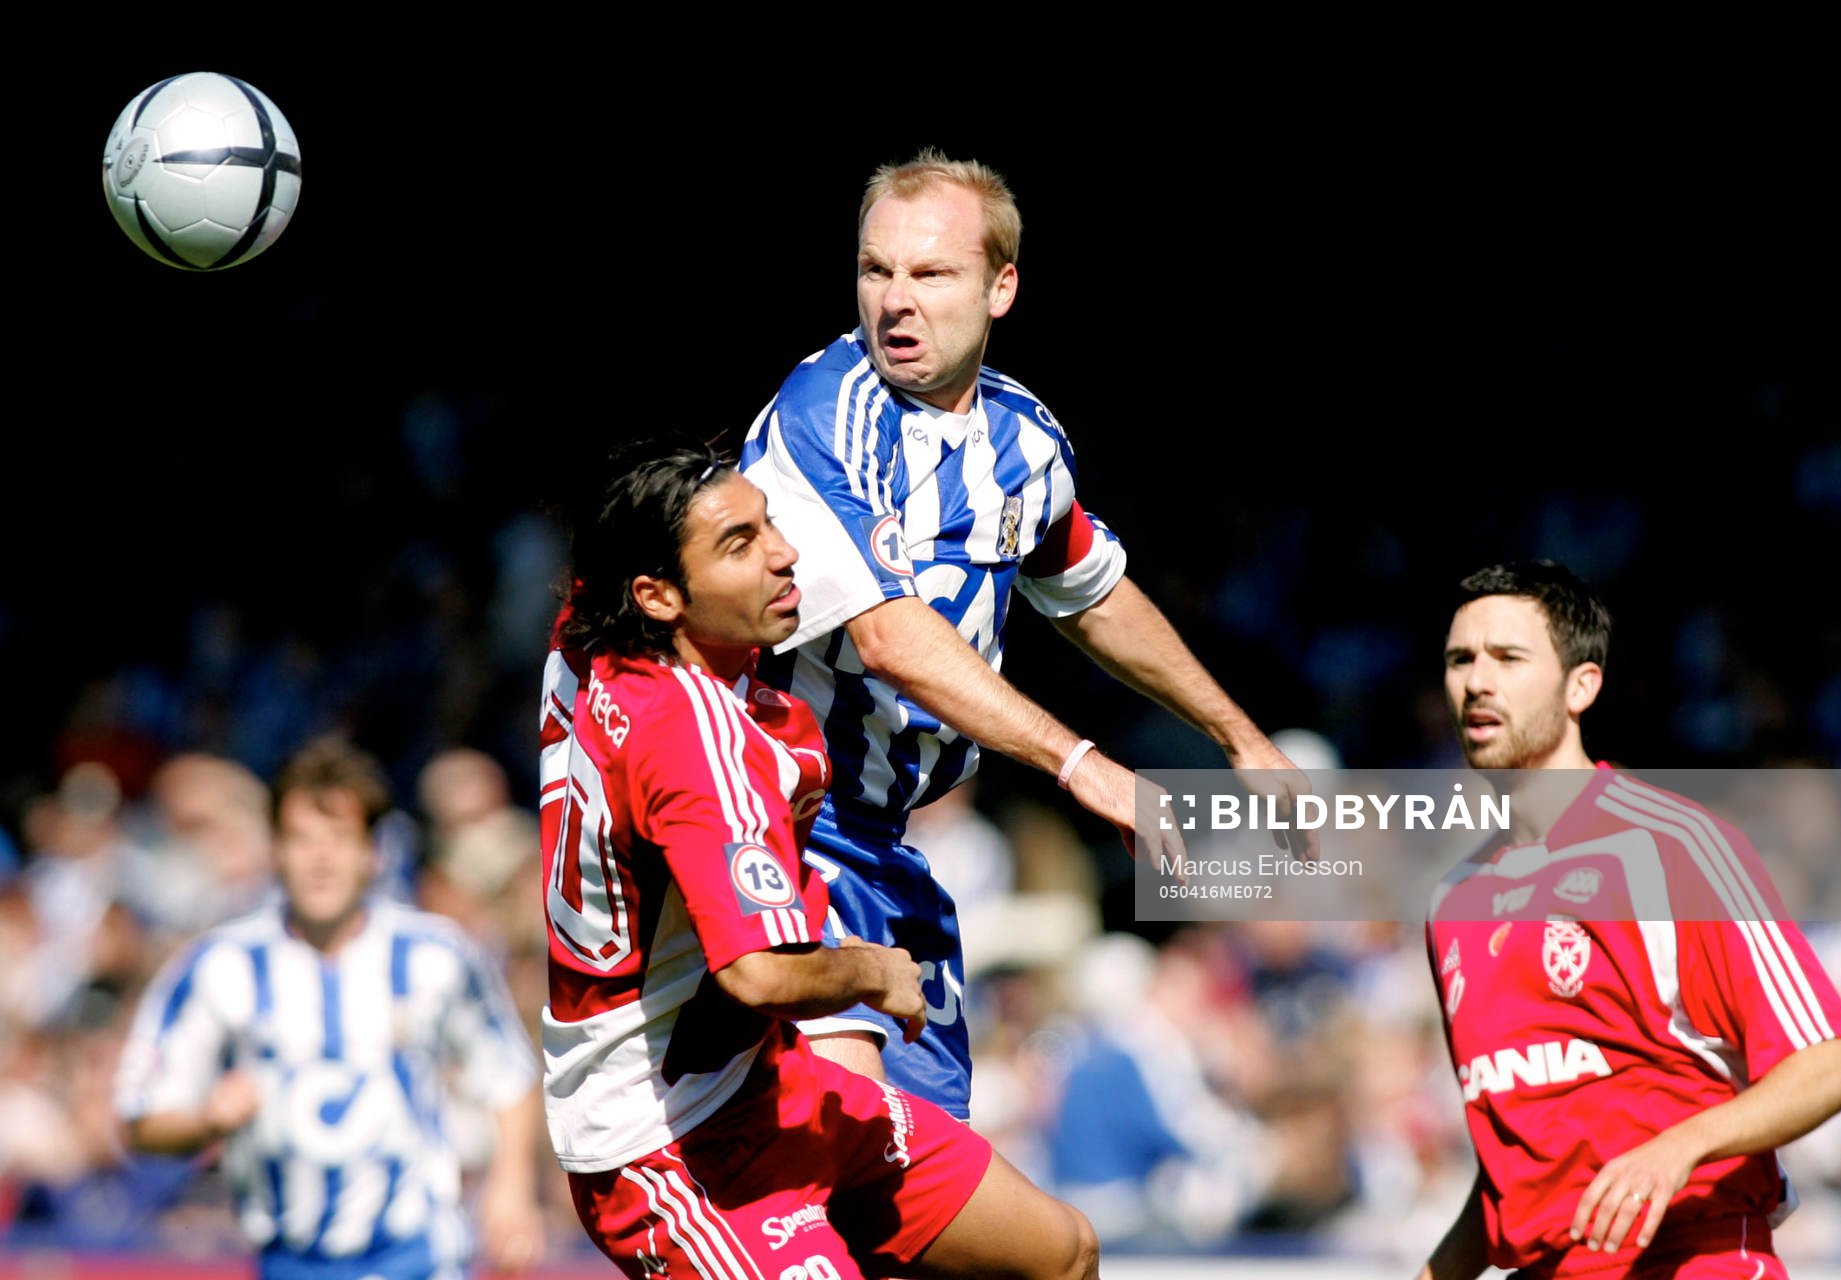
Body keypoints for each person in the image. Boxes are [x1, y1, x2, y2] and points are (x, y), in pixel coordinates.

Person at [740, 148, 1302, 1117]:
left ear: (1000, 287)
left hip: (888, 846)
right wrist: (1083, 764)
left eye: (930, 273)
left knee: (938, 1200)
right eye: (876, 270)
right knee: (861, 1148)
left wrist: (1237, 736)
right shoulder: (823, 413)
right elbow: (888, 636)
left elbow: (1089, 588)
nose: (895, 300)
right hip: (776, 826)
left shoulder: (1023, 439)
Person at [540, 436, 1098, 1279]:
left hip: (776, 1081)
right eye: (739, 546)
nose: (784, 554)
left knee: (1061, 1251)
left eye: (768, 526)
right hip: (673, 1141)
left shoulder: (586, 640)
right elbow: (759, 975)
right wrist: (876, 972)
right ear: (657, 595)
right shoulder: (696, 747)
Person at [1418, 561, 1841, 1280]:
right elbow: (1518, 1171)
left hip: (1695, 1258)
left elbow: (1836, 1063)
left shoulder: (1671, 846)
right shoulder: (1454, 901)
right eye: (1460, 659)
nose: (1477, 680)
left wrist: (1679, 1147)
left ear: (1581, 686)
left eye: (1508, 658)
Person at [115, 738, 546, 1280]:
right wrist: (205, 1121)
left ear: (373, 851)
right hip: (290, 1260)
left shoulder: (435, 955)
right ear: (275, 849)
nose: (321, 859)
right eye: (301, 839)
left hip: (418, 1256)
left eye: (339, 839)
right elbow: (139, 1115)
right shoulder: (220, 966)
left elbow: (507, 1073)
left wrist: (510, 1188)